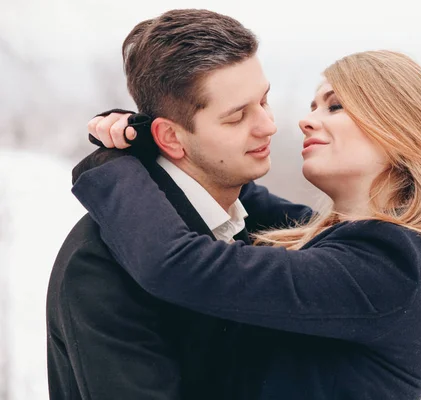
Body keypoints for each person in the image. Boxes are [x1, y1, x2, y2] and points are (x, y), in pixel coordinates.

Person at [73, 49, 421, 399]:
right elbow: (224, 185)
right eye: (313, 105)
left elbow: (176, 264)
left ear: (399, 130)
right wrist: (160, 138)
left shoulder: (391, 267)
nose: (306, 120)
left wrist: (111, 164)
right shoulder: (339, 243)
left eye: (334, 106)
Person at [46, 9, 310, 399]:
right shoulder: (99, 268)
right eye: (237, 117)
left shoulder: (250, 218)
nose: (268, 126)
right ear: (170, 137)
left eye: (264, 101)